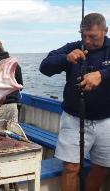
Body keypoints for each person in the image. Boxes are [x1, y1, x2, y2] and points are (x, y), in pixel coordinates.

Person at [40, 13, 110, 191]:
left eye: (92, 36)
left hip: (106, 120)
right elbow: (44, 66)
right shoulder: (73, 47)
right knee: (71, 167)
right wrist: (66, 58)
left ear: (105, 31)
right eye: (83, 35)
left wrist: (101, 74)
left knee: (102, 168)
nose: (87, 41)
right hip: (74, 118)